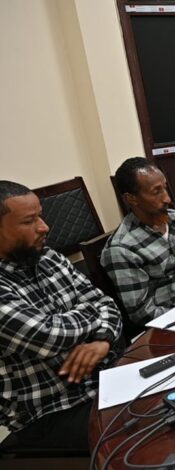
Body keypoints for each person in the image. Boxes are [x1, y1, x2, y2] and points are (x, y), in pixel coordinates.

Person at [0, 181, 122, 452]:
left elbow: (107, 304)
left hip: (103, 379)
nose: (44, 227)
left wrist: (102, 340)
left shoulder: (49, 258)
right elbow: (49, 335)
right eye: (29, 221)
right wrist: (92, 312)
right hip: (51, 411)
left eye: (40, 216)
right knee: (145, 431)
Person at [101, 157, 175, 325]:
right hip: (174, 323)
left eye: (165, 188)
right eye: (156, 192)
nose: (167, 199)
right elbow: (143, 313)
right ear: (131, 199)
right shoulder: (122, 249)